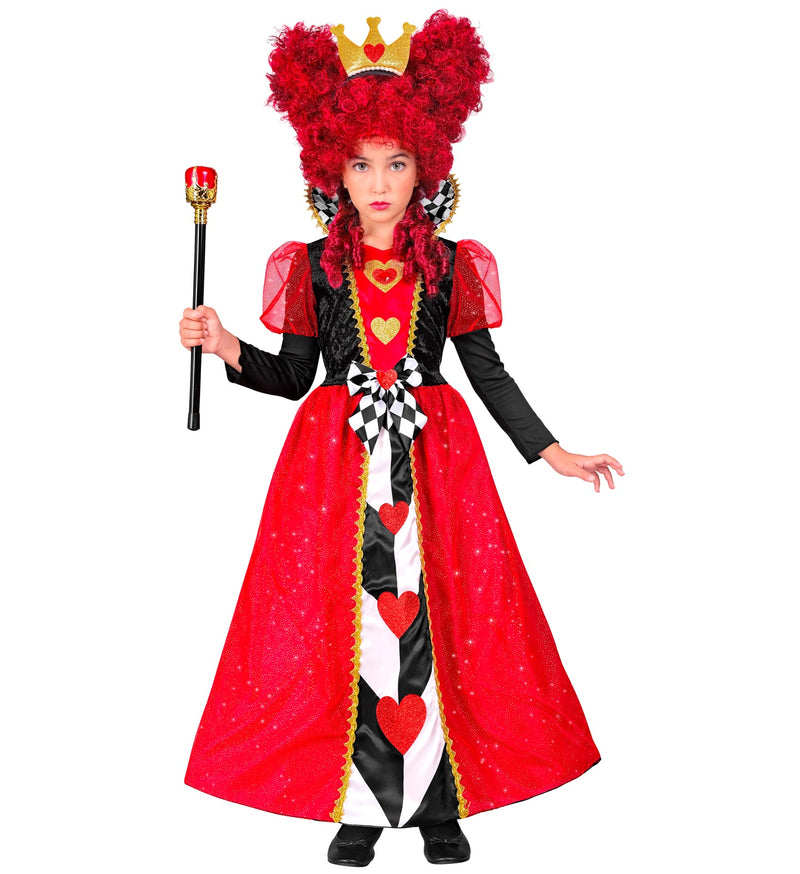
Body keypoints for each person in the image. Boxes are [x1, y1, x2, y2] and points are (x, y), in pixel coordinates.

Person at [180, 13, 623, 867]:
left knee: (441, 623)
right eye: (360, 164)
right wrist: (226, 344)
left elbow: (486, 371)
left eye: (396, 162)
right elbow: (295, 375)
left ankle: (435, 808)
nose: (378, 182)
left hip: (437, 466)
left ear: (426, 167)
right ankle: (359, 807)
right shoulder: (312, 266)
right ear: (332, 172)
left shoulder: (450, 264)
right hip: (333, 469)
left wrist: (551, 451)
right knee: (344, 625)